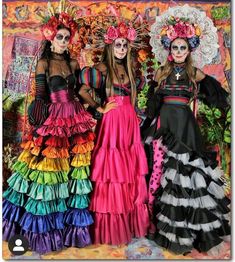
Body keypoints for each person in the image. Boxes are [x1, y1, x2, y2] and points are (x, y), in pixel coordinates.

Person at [3, 8, 95, 254]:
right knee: (48, 171)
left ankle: (68, 229)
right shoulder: (43, 62)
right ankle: (42, 229)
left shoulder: (74, 63)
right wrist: (39, 121)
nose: (64, 42)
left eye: (67, 38)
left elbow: (79, 91)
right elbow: (40, 96)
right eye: (60, 37)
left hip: (74, 117)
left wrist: (92, 106)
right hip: (53, 119)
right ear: (51, 38)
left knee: (73, 172)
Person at [143, 6, 231, 255]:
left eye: (183, 47)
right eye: (175, 47)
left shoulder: (194, 73)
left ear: (189, 49)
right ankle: (161, 224)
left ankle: (193, 230)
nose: (179, 51)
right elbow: (153, 105)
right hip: (165, 129)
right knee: (162, 174)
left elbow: (216, 94)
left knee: (189, 174)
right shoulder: (160, 73)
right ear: (169, 50)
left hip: (186, 128)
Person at [79, 21, 149, 245]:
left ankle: (128, 220)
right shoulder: (101, 69)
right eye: (117, 44)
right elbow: (81, 89)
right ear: (110, 46)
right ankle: (108, 226)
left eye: (124, 45)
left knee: (129, 170)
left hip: (128, 122)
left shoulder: (131, 70)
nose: (121, 48)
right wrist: (99, 108)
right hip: (111, 123)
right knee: (111, 171)